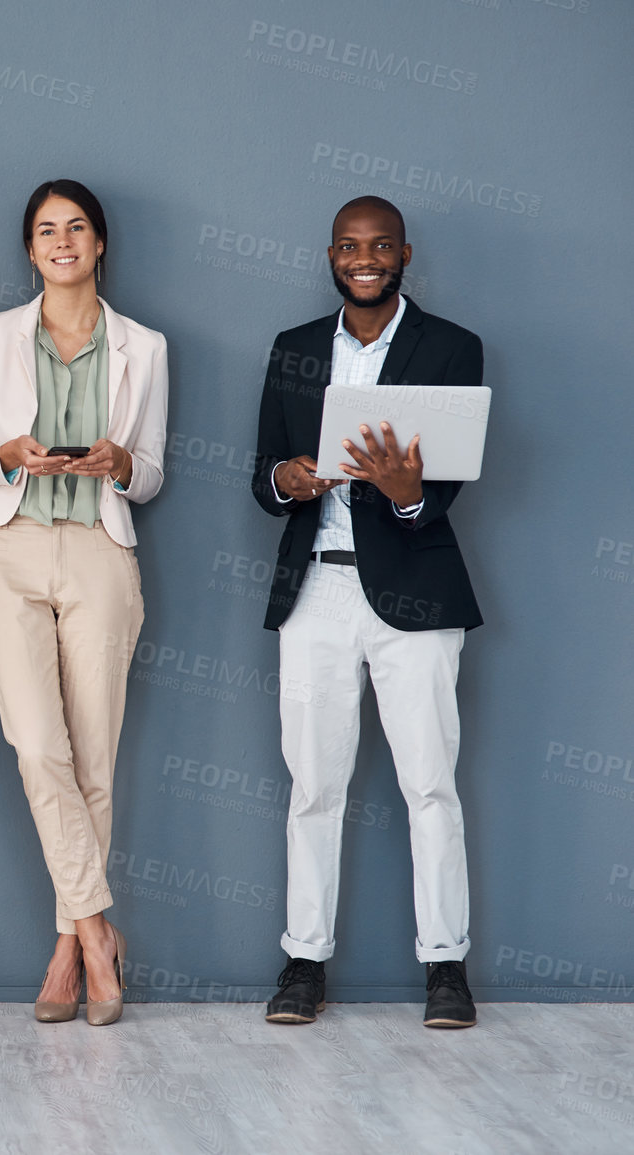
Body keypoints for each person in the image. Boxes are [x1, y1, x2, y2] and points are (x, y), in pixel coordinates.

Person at [252, 196, 483, 1030]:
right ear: (330, 253)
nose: (364, 258)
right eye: (349, 246)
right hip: (314, 589)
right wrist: (291, 478)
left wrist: (411, 497)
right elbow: (261, 479)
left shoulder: (451, 347)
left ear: (403, 253)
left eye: (379, 245)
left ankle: (445, 968)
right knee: (312, 785)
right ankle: (303, 961)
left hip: (414, 596)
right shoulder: (294, 350)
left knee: (429, 783)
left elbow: (448, 487)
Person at [0, 180, 167, 1027]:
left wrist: (116, 461)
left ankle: (68, 948)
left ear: (100, 242)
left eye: (76, 227)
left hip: (99, 553)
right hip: (7, 549)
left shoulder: (143, 347)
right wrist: (6, 452)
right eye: (46, 230)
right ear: (29, 248)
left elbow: (150, 475)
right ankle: (94, 929)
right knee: (38, 746)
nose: (62, 240)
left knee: (93, 758)